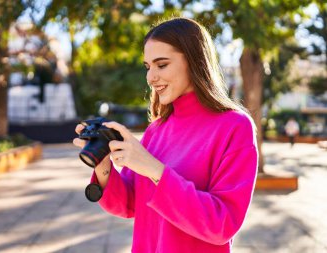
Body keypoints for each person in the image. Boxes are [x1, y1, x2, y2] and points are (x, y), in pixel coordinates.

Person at [73, 17, 258, 253]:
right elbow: (129, 204)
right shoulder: (156, 130)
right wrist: (103, 164)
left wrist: (154, 169)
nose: (150, 78)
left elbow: (222, 225)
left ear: (194, 61)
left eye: (161, 65)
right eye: (148, 67)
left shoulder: (234, 126)